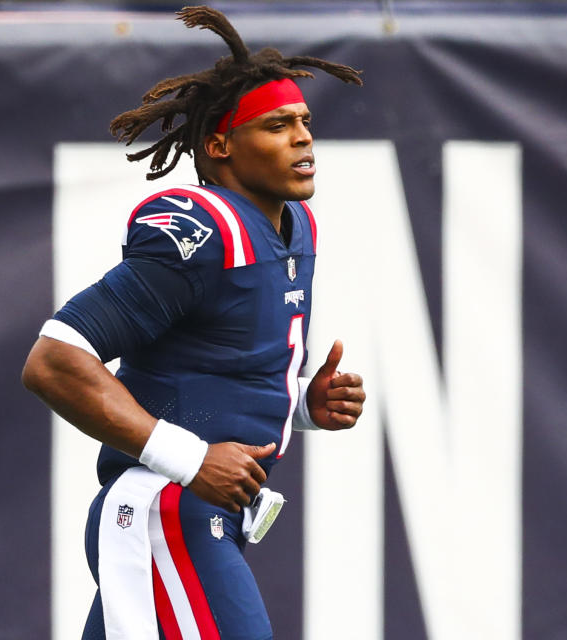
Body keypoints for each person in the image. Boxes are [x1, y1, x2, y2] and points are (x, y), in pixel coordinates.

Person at [22, 7, 366, 639]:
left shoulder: (295, 227)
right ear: (219, 145)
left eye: (304, 123)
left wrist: (301, 403)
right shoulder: (201, 228)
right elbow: (54, 359)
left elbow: (210, 369)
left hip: (203, 514)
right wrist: (190, 457)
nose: (302, 138)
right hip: (166, 507)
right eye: (277, 125)